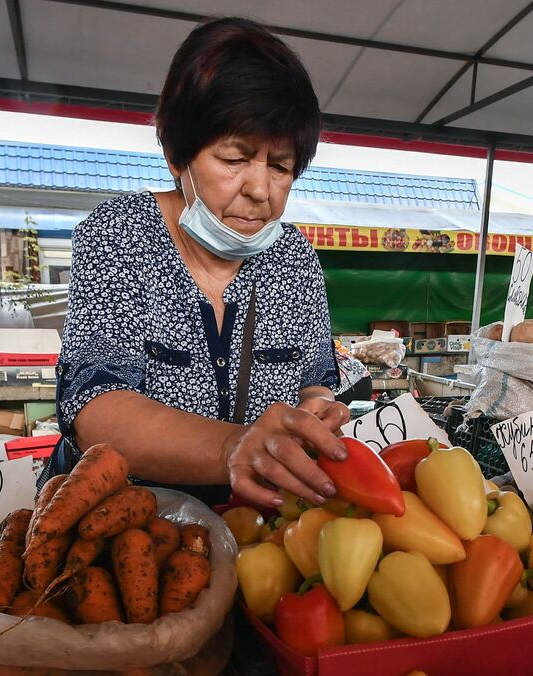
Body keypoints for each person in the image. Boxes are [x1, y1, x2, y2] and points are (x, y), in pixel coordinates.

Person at [49, 17, 350, 509]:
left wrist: (315, 415)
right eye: (235, 159)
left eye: (280, 167)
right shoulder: (120, 234)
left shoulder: (294, 258)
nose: (260, 189)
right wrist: (234, 446)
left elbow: (314, 382)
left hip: (254, 527)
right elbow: (96, 408)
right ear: (176, 154)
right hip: (126, 524)